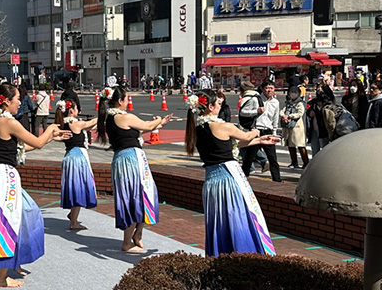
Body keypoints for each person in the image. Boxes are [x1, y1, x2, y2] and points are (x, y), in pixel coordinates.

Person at [0, 84, 66, 288]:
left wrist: (50, 139)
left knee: (23, 216)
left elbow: (17, 148)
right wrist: (52, 128)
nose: (20, 102)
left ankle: (13, 261)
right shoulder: (8, 121)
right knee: (12, 221)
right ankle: (1, 276)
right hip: (2, 179)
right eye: (17, 98)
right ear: (7, 101)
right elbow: (36, 142)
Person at [185, 90, 279, 256]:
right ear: (210, 107)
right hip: (228, 180)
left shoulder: (198, 129)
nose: (221, 107)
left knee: (219, 223)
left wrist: (259, 141)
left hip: (211, 182)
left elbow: (227, 146)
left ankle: (220, 256)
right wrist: (256, 132)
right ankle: (243, 256)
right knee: (238, 219)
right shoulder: (224, 126)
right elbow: (246, 135)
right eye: (219, 104)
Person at [97, 86, 172, 254]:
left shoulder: (110, 118)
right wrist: (158, 120)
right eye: (126, 99)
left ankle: (137, 235)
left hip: (125, 159)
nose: (128, 102)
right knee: (135, 197)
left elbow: (146, 128)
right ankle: (127, 241)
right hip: (130, 160)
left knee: (143, 195)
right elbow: (146, 125)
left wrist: (159, 123)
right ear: (120, 101)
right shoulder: (123, 117)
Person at [56, 98, 98, 231]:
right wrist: (105, 113)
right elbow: (91, 122)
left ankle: (73, 216)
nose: (79, 111)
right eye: (76, 108)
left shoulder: (67, 124)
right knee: (78, 188)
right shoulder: (76, 123)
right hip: (77, 158)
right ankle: (73, 221)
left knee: (76, 187)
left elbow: (90, 126)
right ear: (71, 110)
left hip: (70, 156)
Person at [242, 80, 282, 182]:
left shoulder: (276, 102)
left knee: (273, 159)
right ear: (262, 89)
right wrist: (256, 111)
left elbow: (275, 118)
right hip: (256, 131)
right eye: (267, 88)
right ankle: (243, 178)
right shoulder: (256, 99)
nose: (269, 90)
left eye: (271, 88)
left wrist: (274, 132)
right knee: (249, 157)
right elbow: (243, 112)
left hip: (268, 131)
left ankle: (277, 181)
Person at [280, 86, 308, 169]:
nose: (293, 94)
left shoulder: (300, 103)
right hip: (288, 126)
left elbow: (300, 113)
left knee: (300, 145)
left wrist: (290, 116)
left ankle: (306, 162)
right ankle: (294, 161)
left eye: (295, 92)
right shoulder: (288, 102)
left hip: (297, 127)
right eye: (292, 92)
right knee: (290, 145)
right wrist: (283, 116)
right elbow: (282, 110)